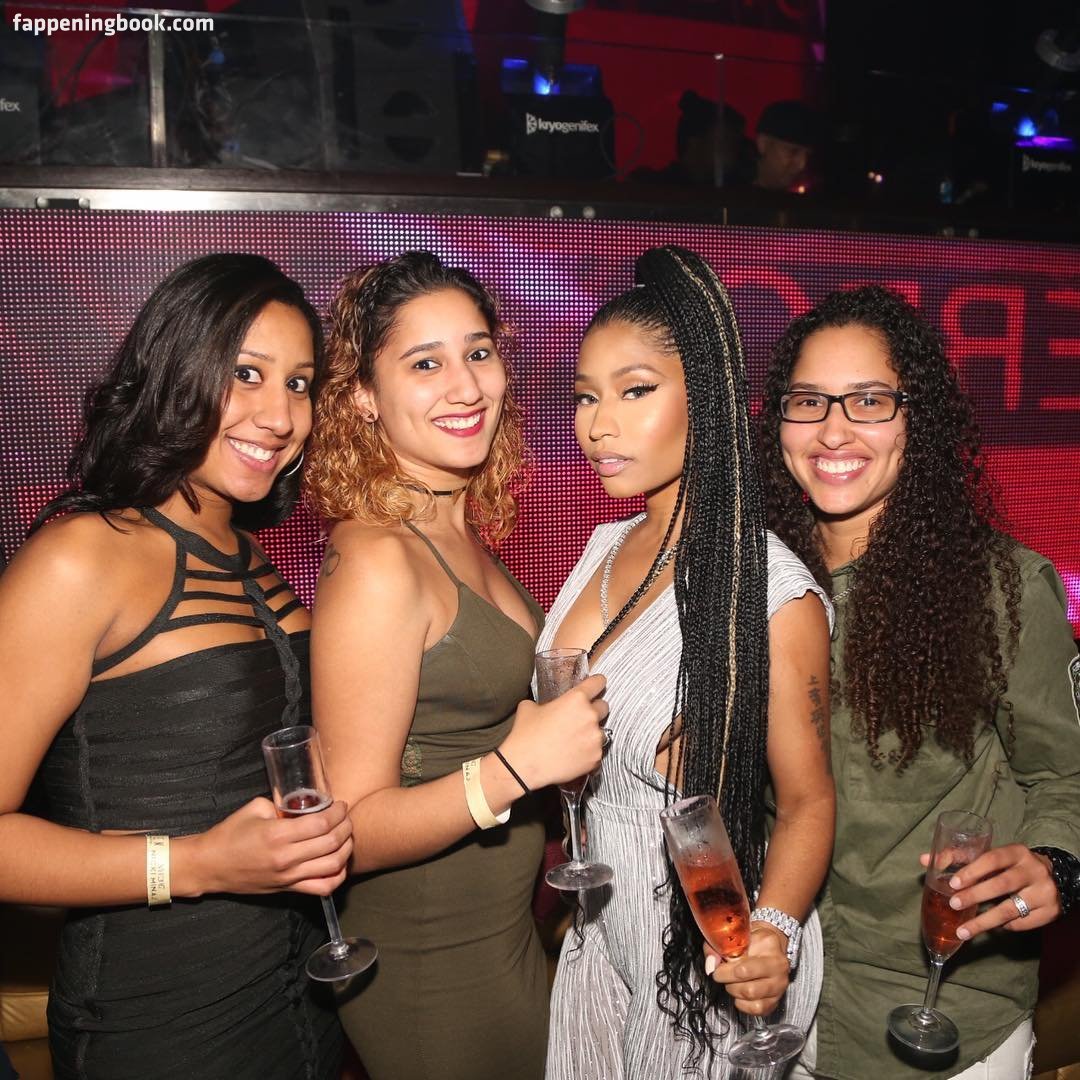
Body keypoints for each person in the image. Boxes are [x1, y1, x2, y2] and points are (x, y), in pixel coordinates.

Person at [0, 253, 351, 1079]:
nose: (279, 415)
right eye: (246, 374)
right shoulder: (81, 558)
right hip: (157, 1026)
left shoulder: (252, 555)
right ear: (176, 367)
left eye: (299, 384)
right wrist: (195, 864)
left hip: (301, 1003)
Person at [760, 285, 1080, 1079]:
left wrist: (1058, 863)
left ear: (917, 420)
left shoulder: (1002, 589)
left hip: (944, 1017)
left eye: (870, 400)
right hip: (781, 1001)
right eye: (808, 401)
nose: (834, 429)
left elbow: (1067, 772)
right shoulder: (751, 586)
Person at [305, 250, 607, 1080]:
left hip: (506, 938)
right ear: (363, 395)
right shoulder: (378, 559)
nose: (467, 386)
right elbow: (351, 830)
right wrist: (516, 768)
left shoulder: (451, 526)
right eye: (425, 363)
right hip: (430, 967)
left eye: (478, 352)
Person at [540, 245, 835, 1078]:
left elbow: (809, 800)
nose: (598, 424)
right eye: (585, 396)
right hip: (599, 925)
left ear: (704, 396)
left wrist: (772, 934)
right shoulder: (602, 547)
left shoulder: (771, 590)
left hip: (704, 943)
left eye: (634, 390)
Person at [754, 100, 819, 192]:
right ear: (763, 143)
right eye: (793, 152)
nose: (802, 165)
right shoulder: (736, 193)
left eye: (808, 155)